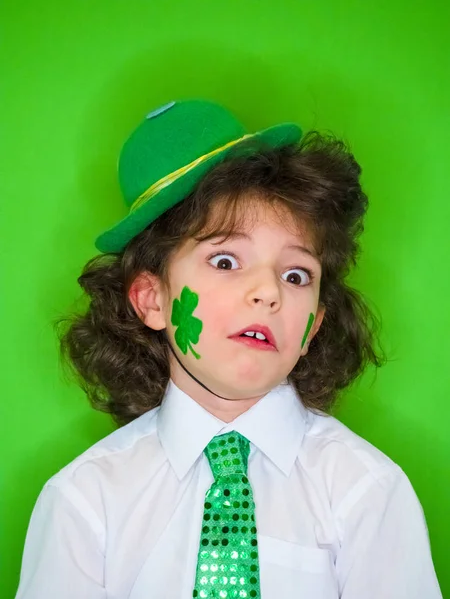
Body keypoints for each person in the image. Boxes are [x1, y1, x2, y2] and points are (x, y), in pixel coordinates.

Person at [15, 99, 442, 598]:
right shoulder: (86, 500)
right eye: (224, 261)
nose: (268, 291)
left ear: (312, 328)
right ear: (152, 299)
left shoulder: (366, 491)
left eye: (296, 274)